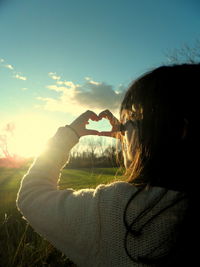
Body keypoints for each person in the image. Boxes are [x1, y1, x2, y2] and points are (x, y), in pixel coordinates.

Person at [16, 64, 199, 266]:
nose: (123, 128)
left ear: (179, 130)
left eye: (133, 119)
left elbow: (31, 197)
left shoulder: (116, 211)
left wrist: (67, 136)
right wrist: (130, 139)